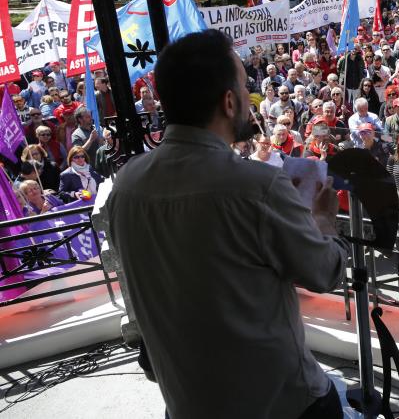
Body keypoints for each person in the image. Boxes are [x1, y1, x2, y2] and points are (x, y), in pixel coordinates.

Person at [106, 30, 348, 419]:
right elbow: (325, 272)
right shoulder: (258, 187)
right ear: (230, 101)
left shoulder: (127, 185)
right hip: (282, 405)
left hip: (188, 405)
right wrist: (322, 219)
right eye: (244, 86)